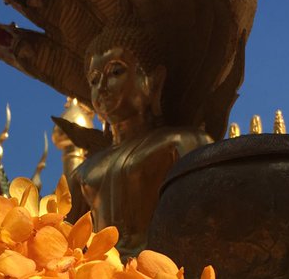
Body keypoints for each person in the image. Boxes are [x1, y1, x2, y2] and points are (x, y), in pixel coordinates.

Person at [66, 25, 211, 260]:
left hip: (166, 276)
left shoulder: (180, 144)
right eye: (94, 80)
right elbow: (66, 245)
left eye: (115, 72)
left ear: (154, 81)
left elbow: (204, 222)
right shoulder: (83, 174)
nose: (101, 87)